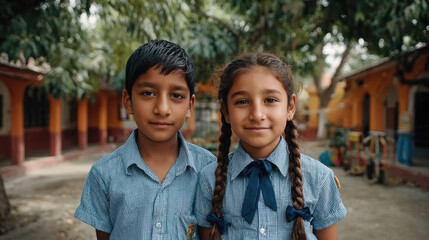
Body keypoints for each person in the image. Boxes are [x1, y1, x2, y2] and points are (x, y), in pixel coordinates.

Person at [195, 52, 346, 240]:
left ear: (290, 107)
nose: (257, 114)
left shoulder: (320, 178)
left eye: (270, 100)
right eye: (242, 101)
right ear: (225, 110)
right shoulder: (209, 179)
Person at [75, 40, 216, 240]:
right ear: (128, 101)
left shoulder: (208, 169)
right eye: (148, 93)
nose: (162, 109)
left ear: (190, 106)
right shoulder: (104, 174)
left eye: (176, 95)